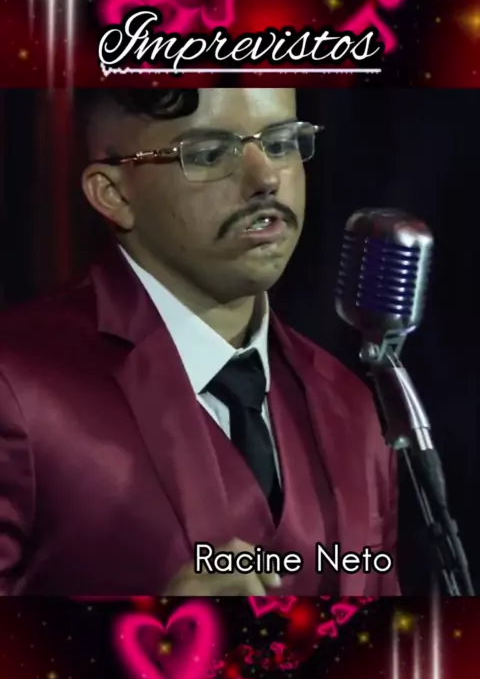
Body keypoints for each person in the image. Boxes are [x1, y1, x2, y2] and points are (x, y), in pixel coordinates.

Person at [0, 87, 399, 596]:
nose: (266, 179)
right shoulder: (18, 384)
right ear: (113, 193)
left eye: (281, 144)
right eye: (211, 154)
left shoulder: (353, 407)